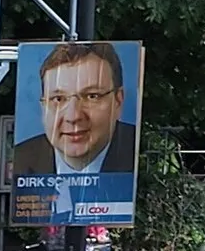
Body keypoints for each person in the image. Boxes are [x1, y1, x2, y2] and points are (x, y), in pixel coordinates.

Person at [12, 42, 137, 187]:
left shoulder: (138, 154)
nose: (73, 116)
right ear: (43, 106)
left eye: (92, 96)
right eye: (58, 99)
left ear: (118, 101)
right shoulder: (21, 159)